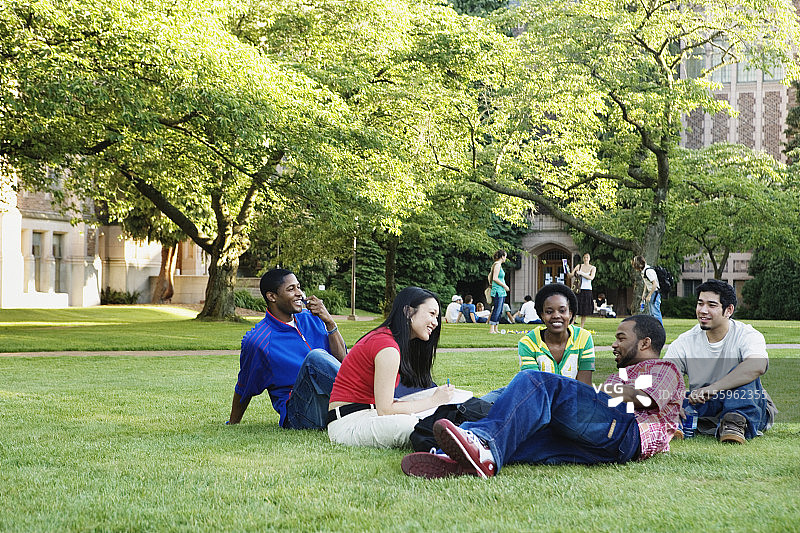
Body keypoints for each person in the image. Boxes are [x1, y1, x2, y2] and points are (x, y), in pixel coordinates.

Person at [401, 315, 684, 479]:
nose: (614, 344)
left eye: (621, 338)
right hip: (608, 448)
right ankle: (465, 460)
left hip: (624, 432)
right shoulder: (621, 374)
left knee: (534, 380)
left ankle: (480, 440)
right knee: (523, 436)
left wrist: (598, 392)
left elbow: (646, 399)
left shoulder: (663, 368)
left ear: (645, 343)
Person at [327, 287, 454, 448]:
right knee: (414, 426)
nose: (435, 322)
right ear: (408, 312)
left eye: (437, 316)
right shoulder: (387, 347)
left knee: (431, 414)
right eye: (431, 314)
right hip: (348, 423)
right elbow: (386, 410)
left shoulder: (392, 341)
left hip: (369, 413)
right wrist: (434, 400)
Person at [228, 268, 346, 429]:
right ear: (272, 296)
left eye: (299, 287)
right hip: (299, 414)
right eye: (291, 289)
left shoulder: (313, 319)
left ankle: (368, 404)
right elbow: (244, 385)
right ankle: (366, 400)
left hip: (330, 402)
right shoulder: (258, 341)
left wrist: (330, 323)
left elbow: (343, 362)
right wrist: (233, 422)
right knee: (315, 358)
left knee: (373, 355)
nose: (300, 294)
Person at [664, 279, 776, 444]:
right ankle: (677, 423)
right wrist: (673, 402)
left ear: (729, 310)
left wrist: (713, 388)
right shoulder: (685, 341)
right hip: (706, 404)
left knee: (746, 374)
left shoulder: (747, 335)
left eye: (711, 305)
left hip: (747, 403)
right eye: (700, 304)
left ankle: (734, 423)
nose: (703, 310)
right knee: (678, 397)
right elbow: (665, 375)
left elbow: (757, 366)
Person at [517, 283, 595, 386]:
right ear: (542, 315)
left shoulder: (583, 338)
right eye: (549, 312)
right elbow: (535, 387)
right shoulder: (528, 343)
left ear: (570, 314)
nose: (556, 316)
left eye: (562, 311)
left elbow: (584, 386)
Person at [632, 255, 662, 323]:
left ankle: (660, 328)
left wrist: (649, 295)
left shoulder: (648, 271)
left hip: (655, 293)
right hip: (652, 292)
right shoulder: (644, 271)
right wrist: (644, 293)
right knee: (652, 314)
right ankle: (654, 328)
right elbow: (647, 282)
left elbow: (655, 284)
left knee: (656, 313)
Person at [571, 252, 596, 328]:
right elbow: (571, 275)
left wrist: (581, 273)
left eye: (587, 257)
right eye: (584, 257)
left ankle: (581, 327)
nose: (586, 259)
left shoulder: (593, 268)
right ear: (583, 258)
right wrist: (567, 270)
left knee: (585, 310)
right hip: (578, 289)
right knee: (575, 308)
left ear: (589, 258)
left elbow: (591, 277)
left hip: (587, 289)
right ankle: (572, 325)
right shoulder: (579, 266)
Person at [488, 250, 510, 334]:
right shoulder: (497, 265)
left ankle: (496, 328)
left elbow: (489, 276)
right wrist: (504, 286)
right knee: (497, 309)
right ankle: (491, 329)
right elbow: (495, 278)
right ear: (502, 256)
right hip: (498, 290)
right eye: (505, 256)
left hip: (501, 291)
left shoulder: (498, 265)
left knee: (500, 310)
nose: (505, 258)